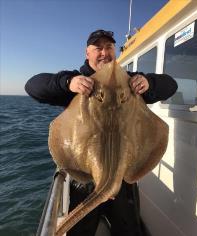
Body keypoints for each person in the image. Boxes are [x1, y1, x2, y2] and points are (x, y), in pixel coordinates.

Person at [25, 29, 177, 236]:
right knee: (82, 231)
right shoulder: (77, 82)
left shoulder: (130, 82)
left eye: (109, 47)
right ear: (87, 53)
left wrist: (150, 83)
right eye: (98, 48)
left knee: (129, 230)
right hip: (86, 178)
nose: (104, 52)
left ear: (115, 51)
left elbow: (171, 85)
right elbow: (33, 86)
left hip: (122, 174)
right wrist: (68, 83)